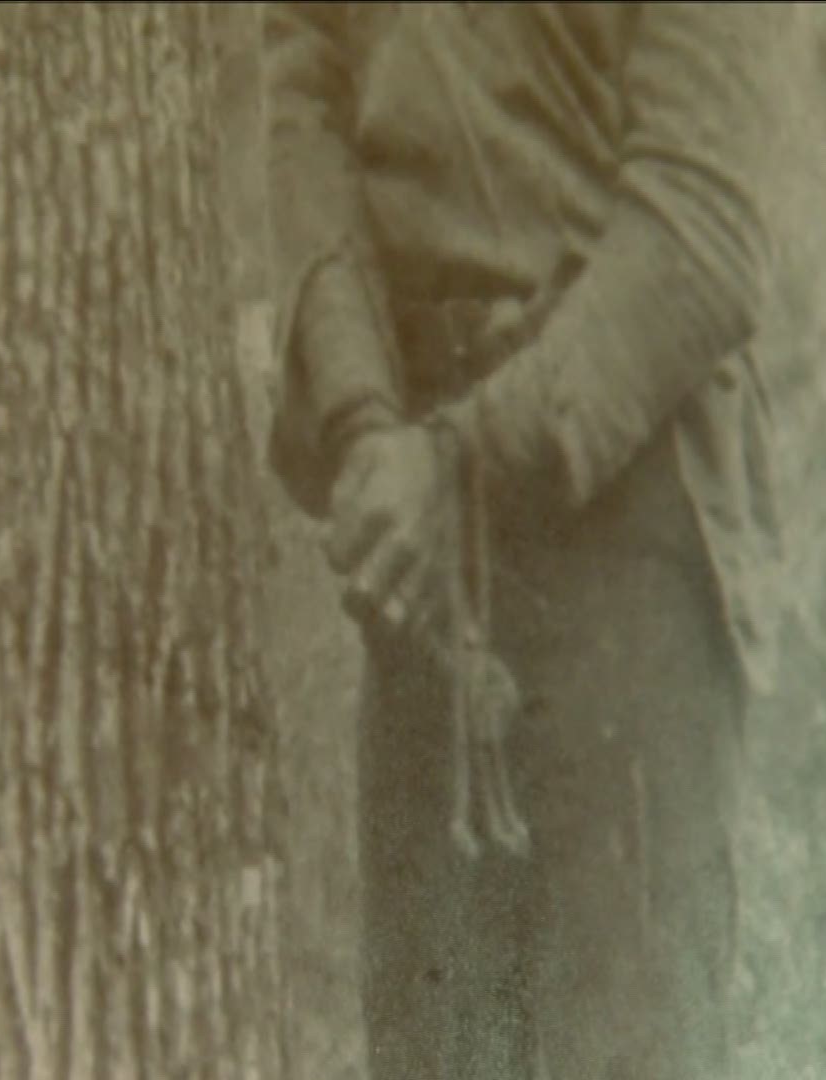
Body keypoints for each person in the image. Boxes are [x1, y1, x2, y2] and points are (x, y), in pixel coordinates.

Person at [263, 4, 789, 1077]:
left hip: (624, 527)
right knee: (440, 1046)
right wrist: (363, 416)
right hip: (413, 527)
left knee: (626, 1042)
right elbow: (302, 102)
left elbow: (704, 231)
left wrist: (461, 463)